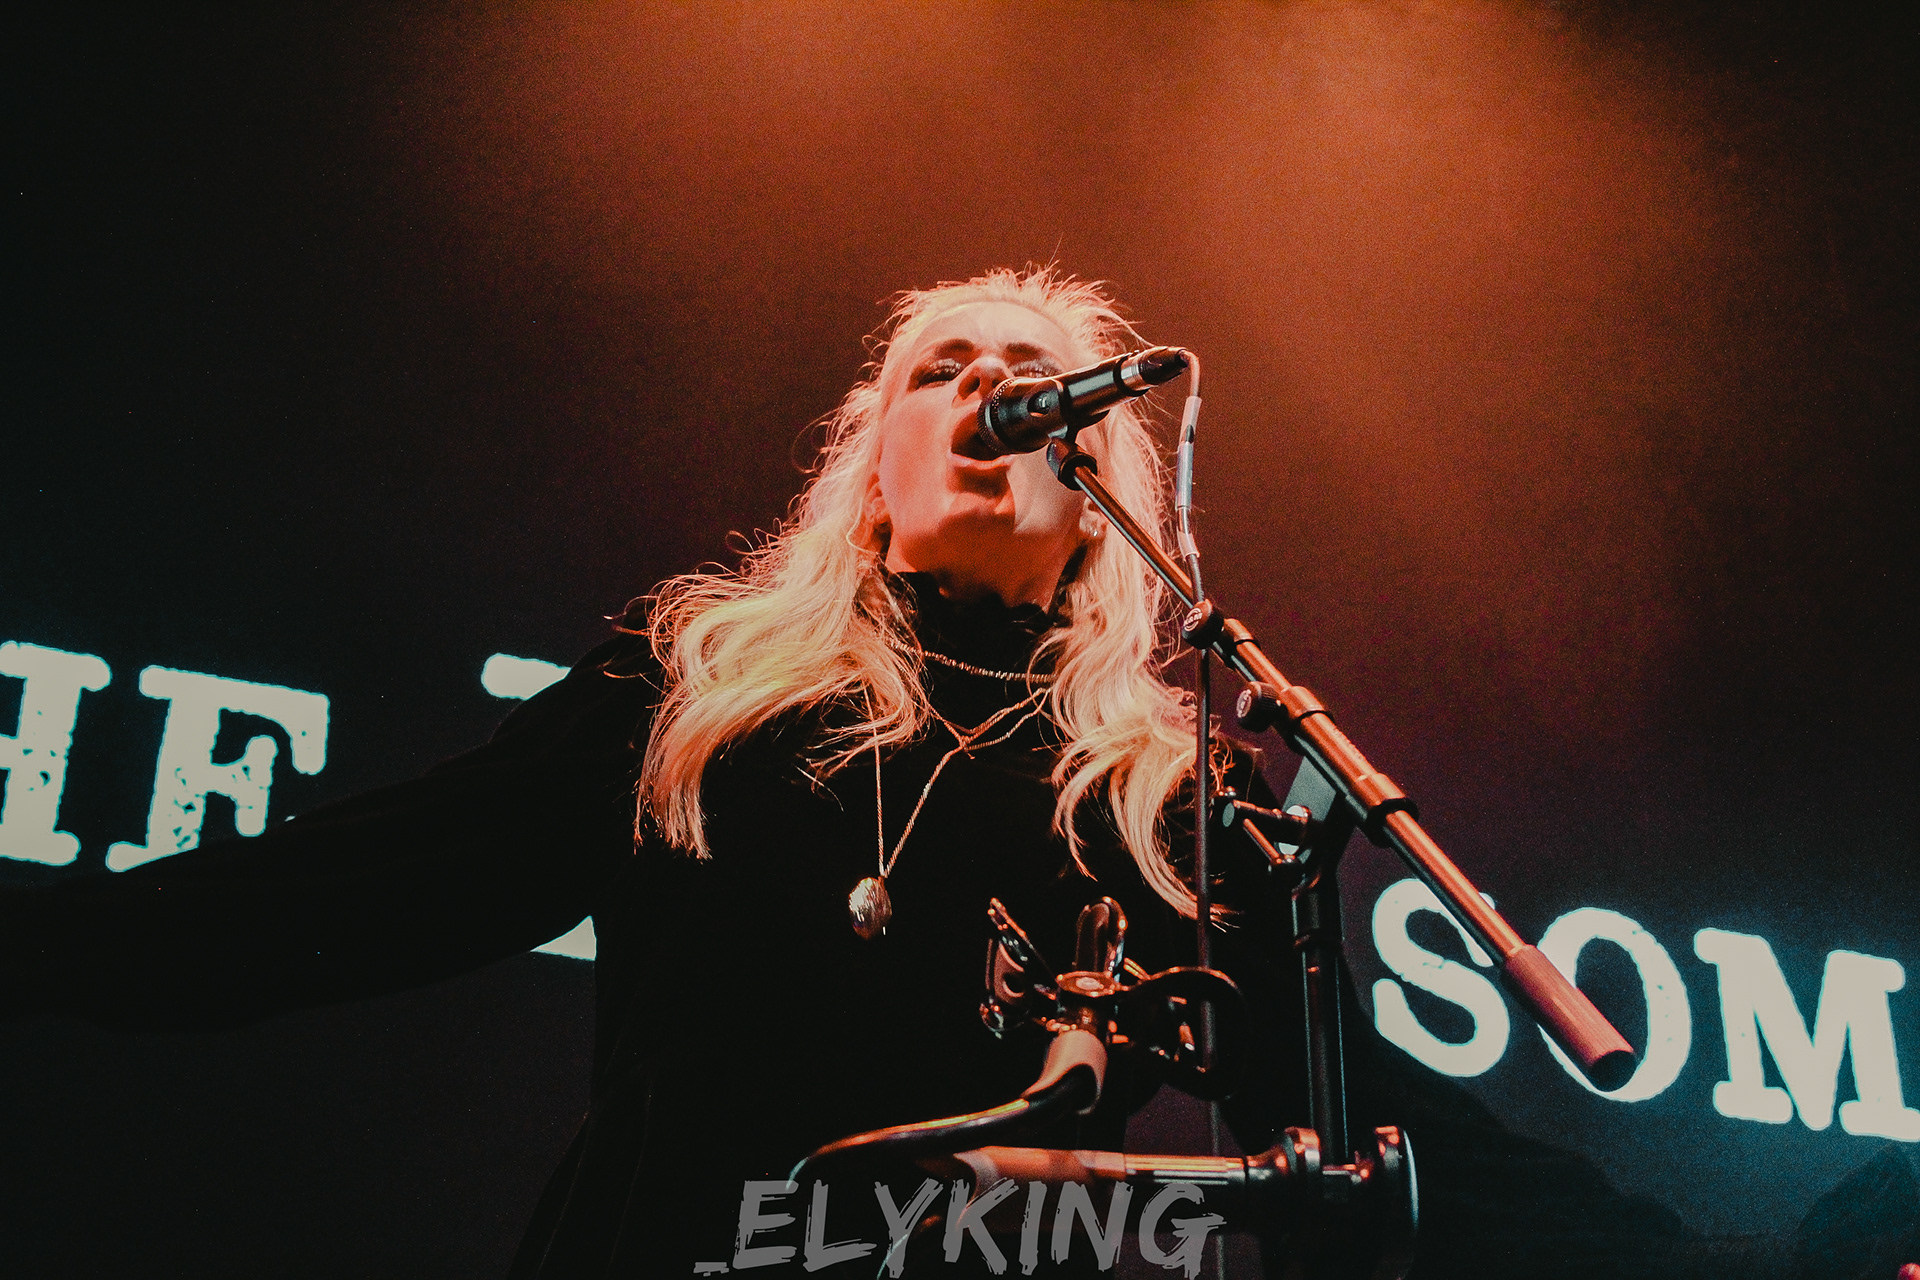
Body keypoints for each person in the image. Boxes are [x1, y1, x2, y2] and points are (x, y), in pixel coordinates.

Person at [3, 267, 1824, 1277]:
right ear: (866, 471)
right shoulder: (698, 690)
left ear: (1099, 492)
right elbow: (364, 888)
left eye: (1031, 373)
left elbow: (1414, 1149)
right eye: (938, 372)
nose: (985, 389)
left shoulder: (1171, 805)